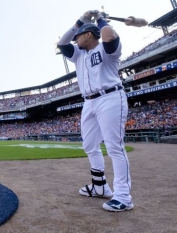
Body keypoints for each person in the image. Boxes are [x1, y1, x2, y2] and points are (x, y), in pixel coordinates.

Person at [57, 10, 133, 212]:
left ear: (89, 35)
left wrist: (100, 19)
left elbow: (110, 36)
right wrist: (80, 21)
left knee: (115, 147)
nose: (75, 39)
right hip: (89, 102)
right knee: (90, 145)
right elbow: (62, 43)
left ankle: (123, 197)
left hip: (110, 97)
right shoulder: (79, 54)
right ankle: (100, 187)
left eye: (79, 35)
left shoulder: (107, 49)